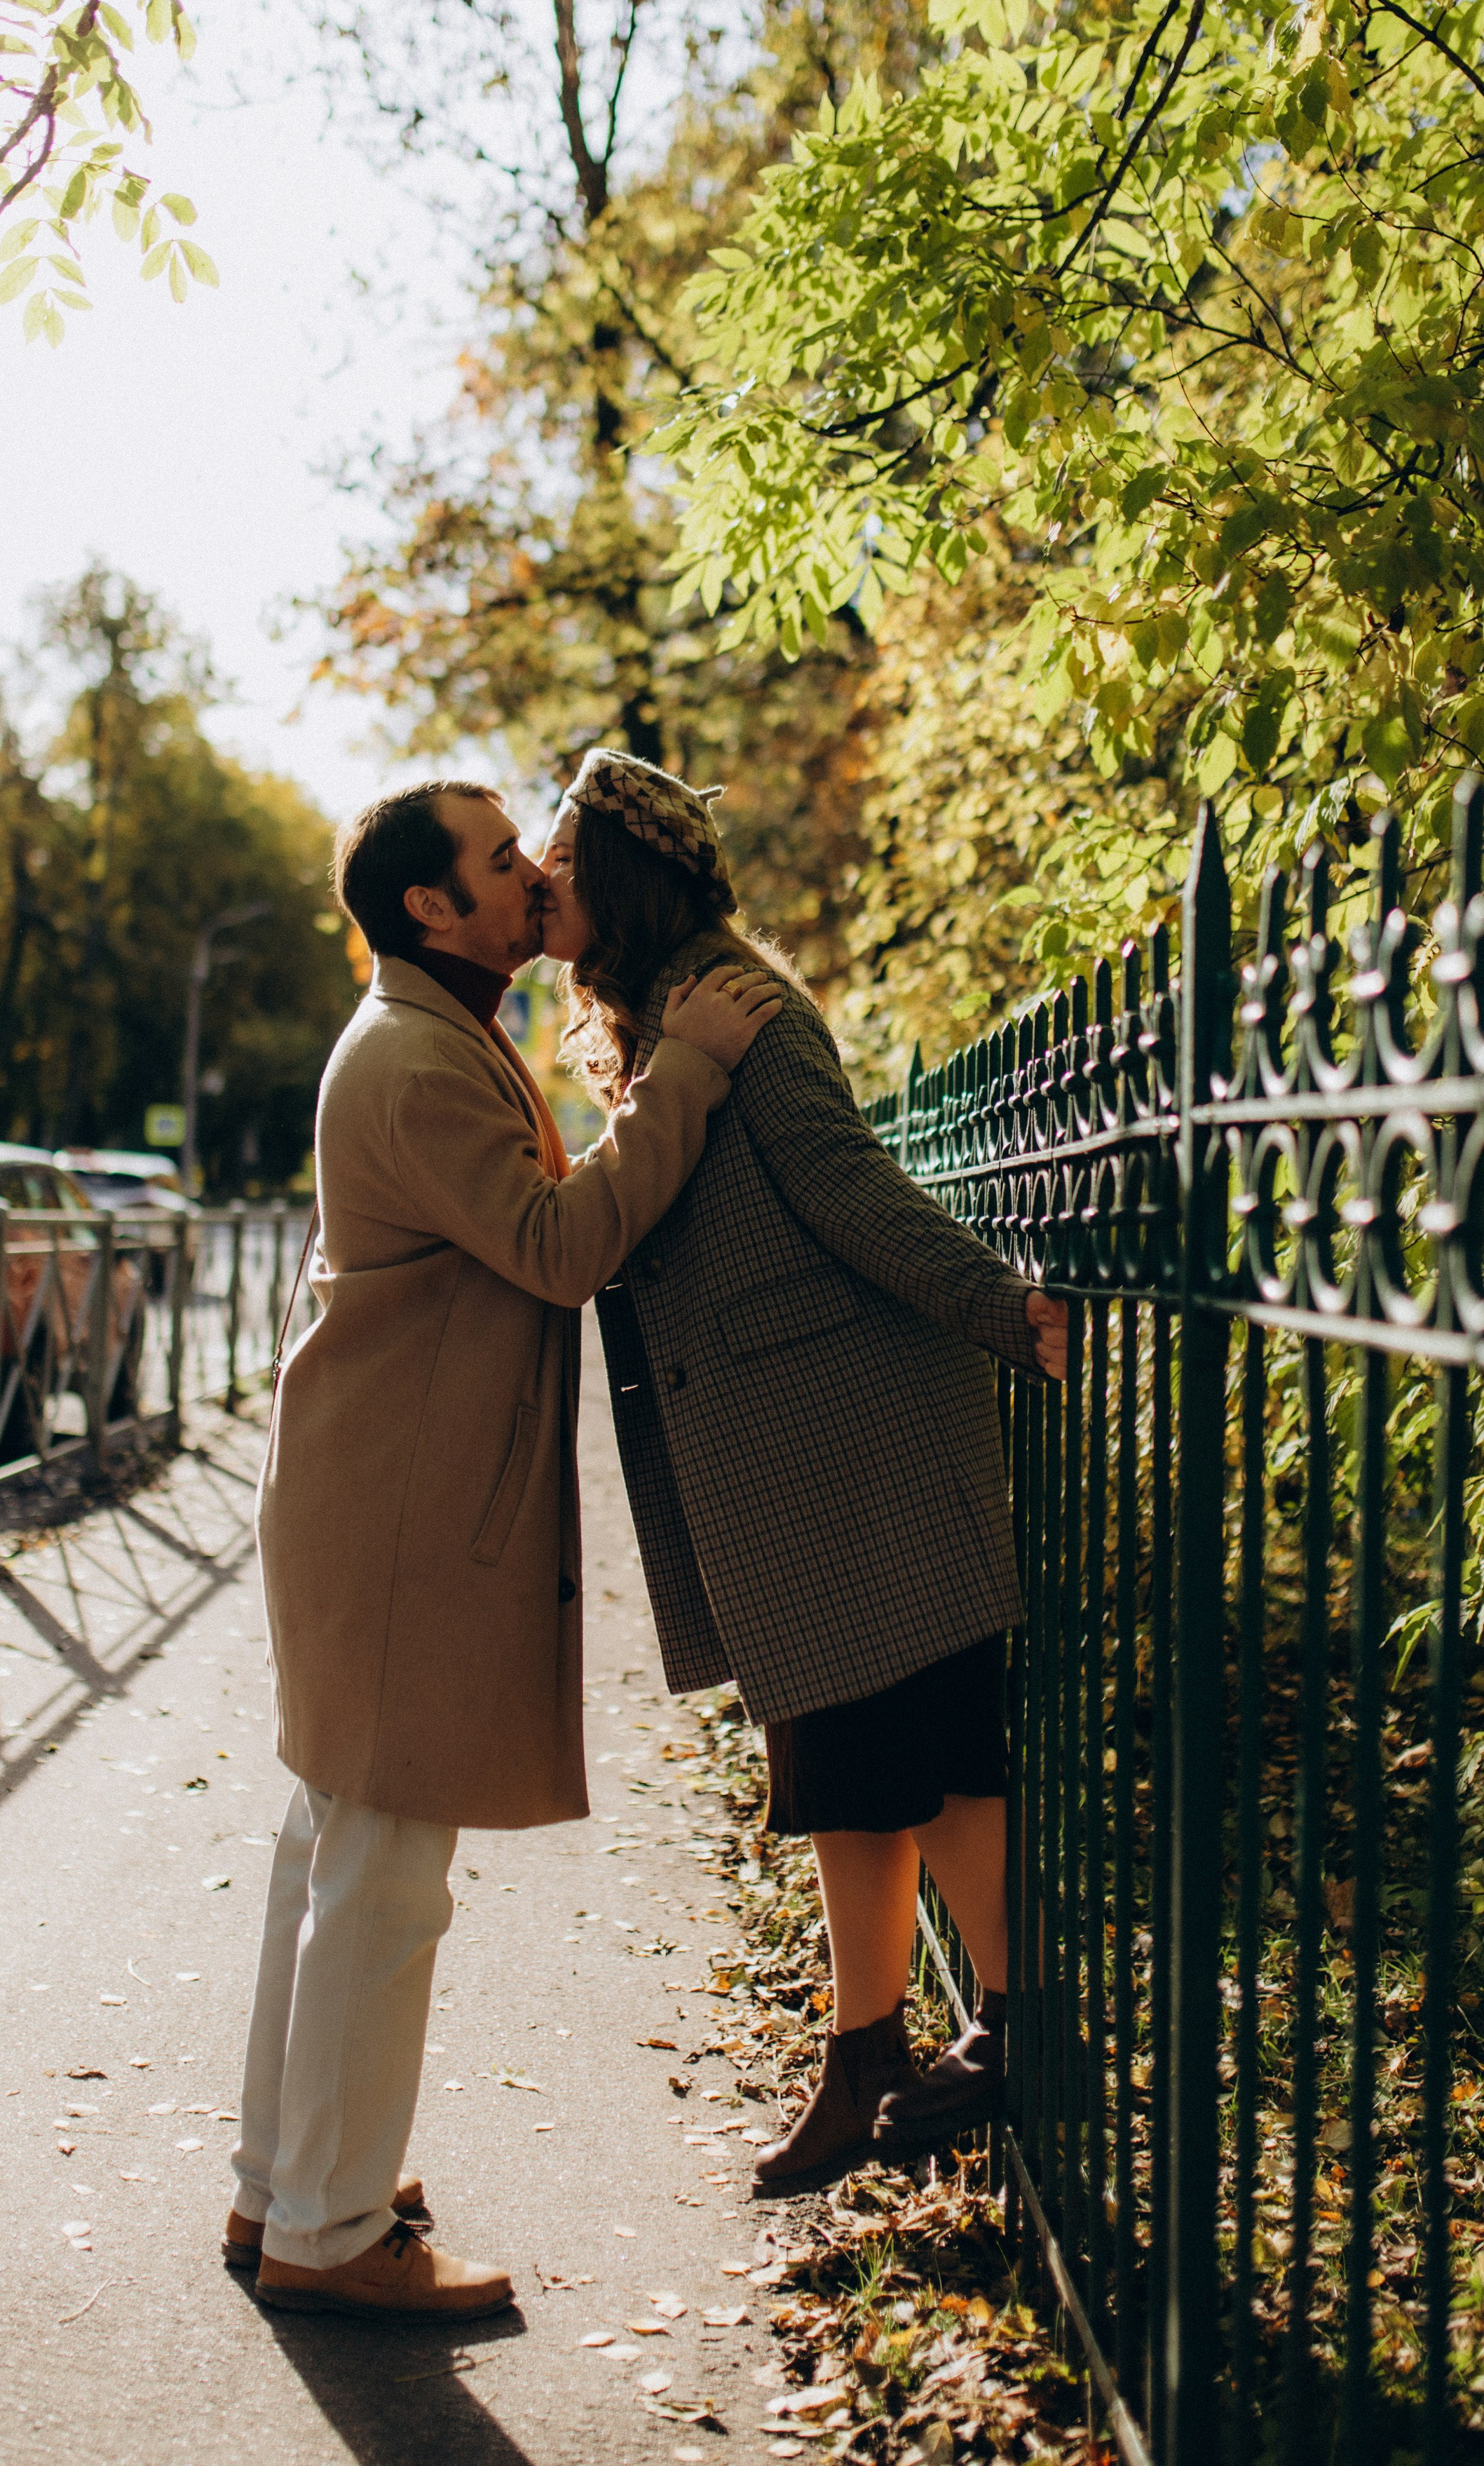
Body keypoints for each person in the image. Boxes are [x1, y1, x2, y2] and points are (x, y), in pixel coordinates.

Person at [226, 778, 781, 2319]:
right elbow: (559, 1248)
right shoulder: (415, 1057)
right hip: (396, 1510)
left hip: (376, 1494)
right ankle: (331, 2233)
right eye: (498, 856)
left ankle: (287, 2184)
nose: (533, 869)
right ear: (430, 906)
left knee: (335, 1850)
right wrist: (685, 1071)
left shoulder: (433, 1031)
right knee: (383, 1874)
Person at [538, 751, 1069, 2196]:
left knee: (923, 1754)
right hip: (792, 1458)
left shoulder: (735, 1002)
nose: (540, 882)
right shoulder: (663, 1011)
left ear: (624, 877)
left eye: (562, 861)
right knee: (846, 1768)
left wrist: (996, 1305)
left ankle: (1012, 2028)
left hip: (854, 1440)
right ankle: (869, 2053)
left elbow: (846, 1184)